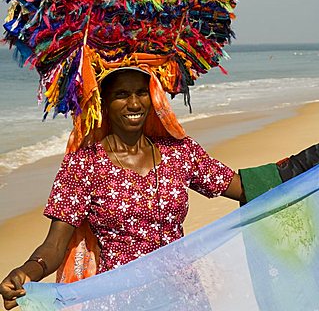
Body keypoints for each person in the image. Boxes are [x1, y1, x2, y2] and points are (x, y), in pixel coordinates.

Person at [1, 67, 318, 310]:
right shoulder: (83, 165)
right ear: (103, 103)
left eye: (142, 92)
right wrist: (27, 272)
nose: (134, 102)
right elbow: (54, 246)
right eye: (122, 94)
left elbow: (242, 187)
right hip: (120, 299)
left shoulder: (179, 152)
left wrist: (310, 161)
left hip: (183, 296)